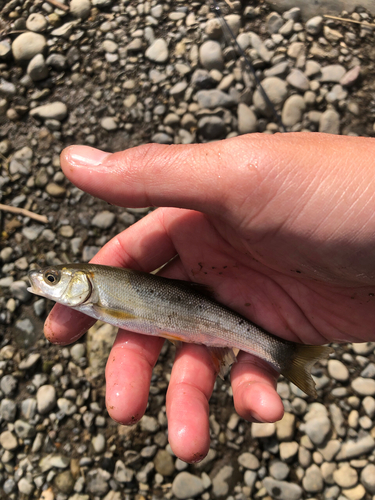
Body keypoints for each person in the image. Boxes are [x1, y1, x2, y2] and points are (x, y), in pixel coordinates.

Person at [45, 132, 375, 463]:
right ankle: (288, 355)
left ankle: (286, 354)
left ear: (82, 282)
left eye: (52, 280)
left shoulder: (100, 298)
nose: (47, 284)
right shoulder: (98, 293)